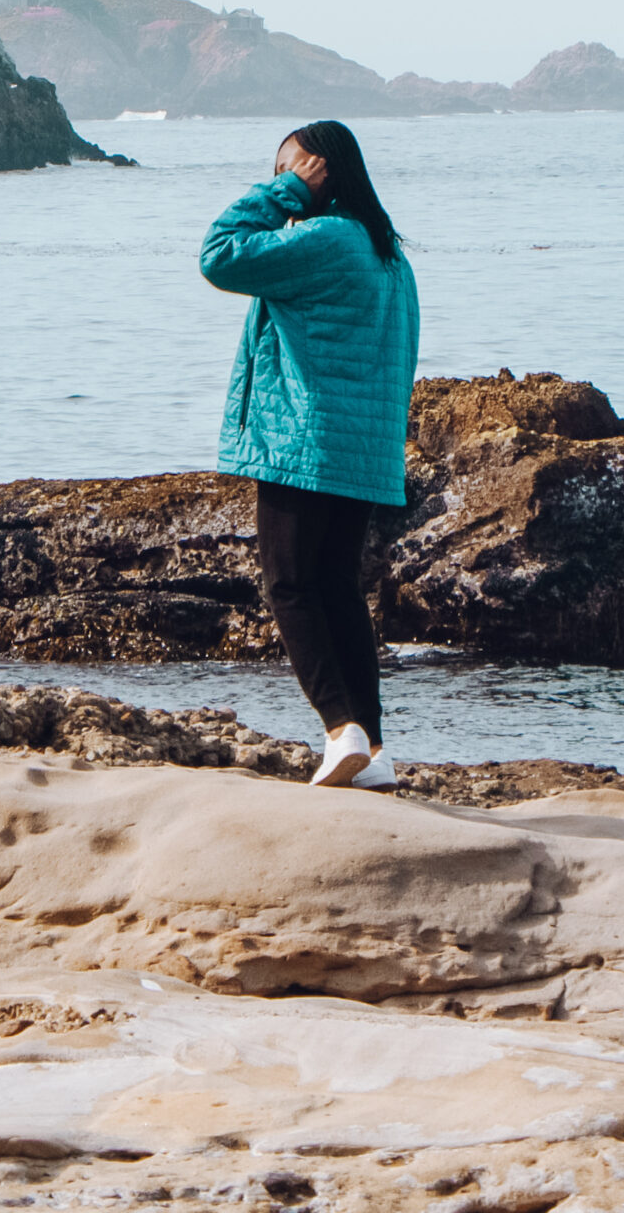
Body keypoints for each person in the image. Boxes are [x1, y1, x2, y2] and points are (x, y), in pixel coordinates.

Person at [200, 120, 420, 789]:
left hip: (304, 440)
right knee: (337, 591)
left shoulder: (324, 240)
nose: (277, 182)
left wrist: (283, 193)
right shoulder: (387, 254)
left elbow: (219, 255)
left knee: (290, 585)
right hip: (361, 452)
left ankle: (337, 728)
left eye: (287, 168)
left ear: (318, 170)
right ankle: (373, 752)